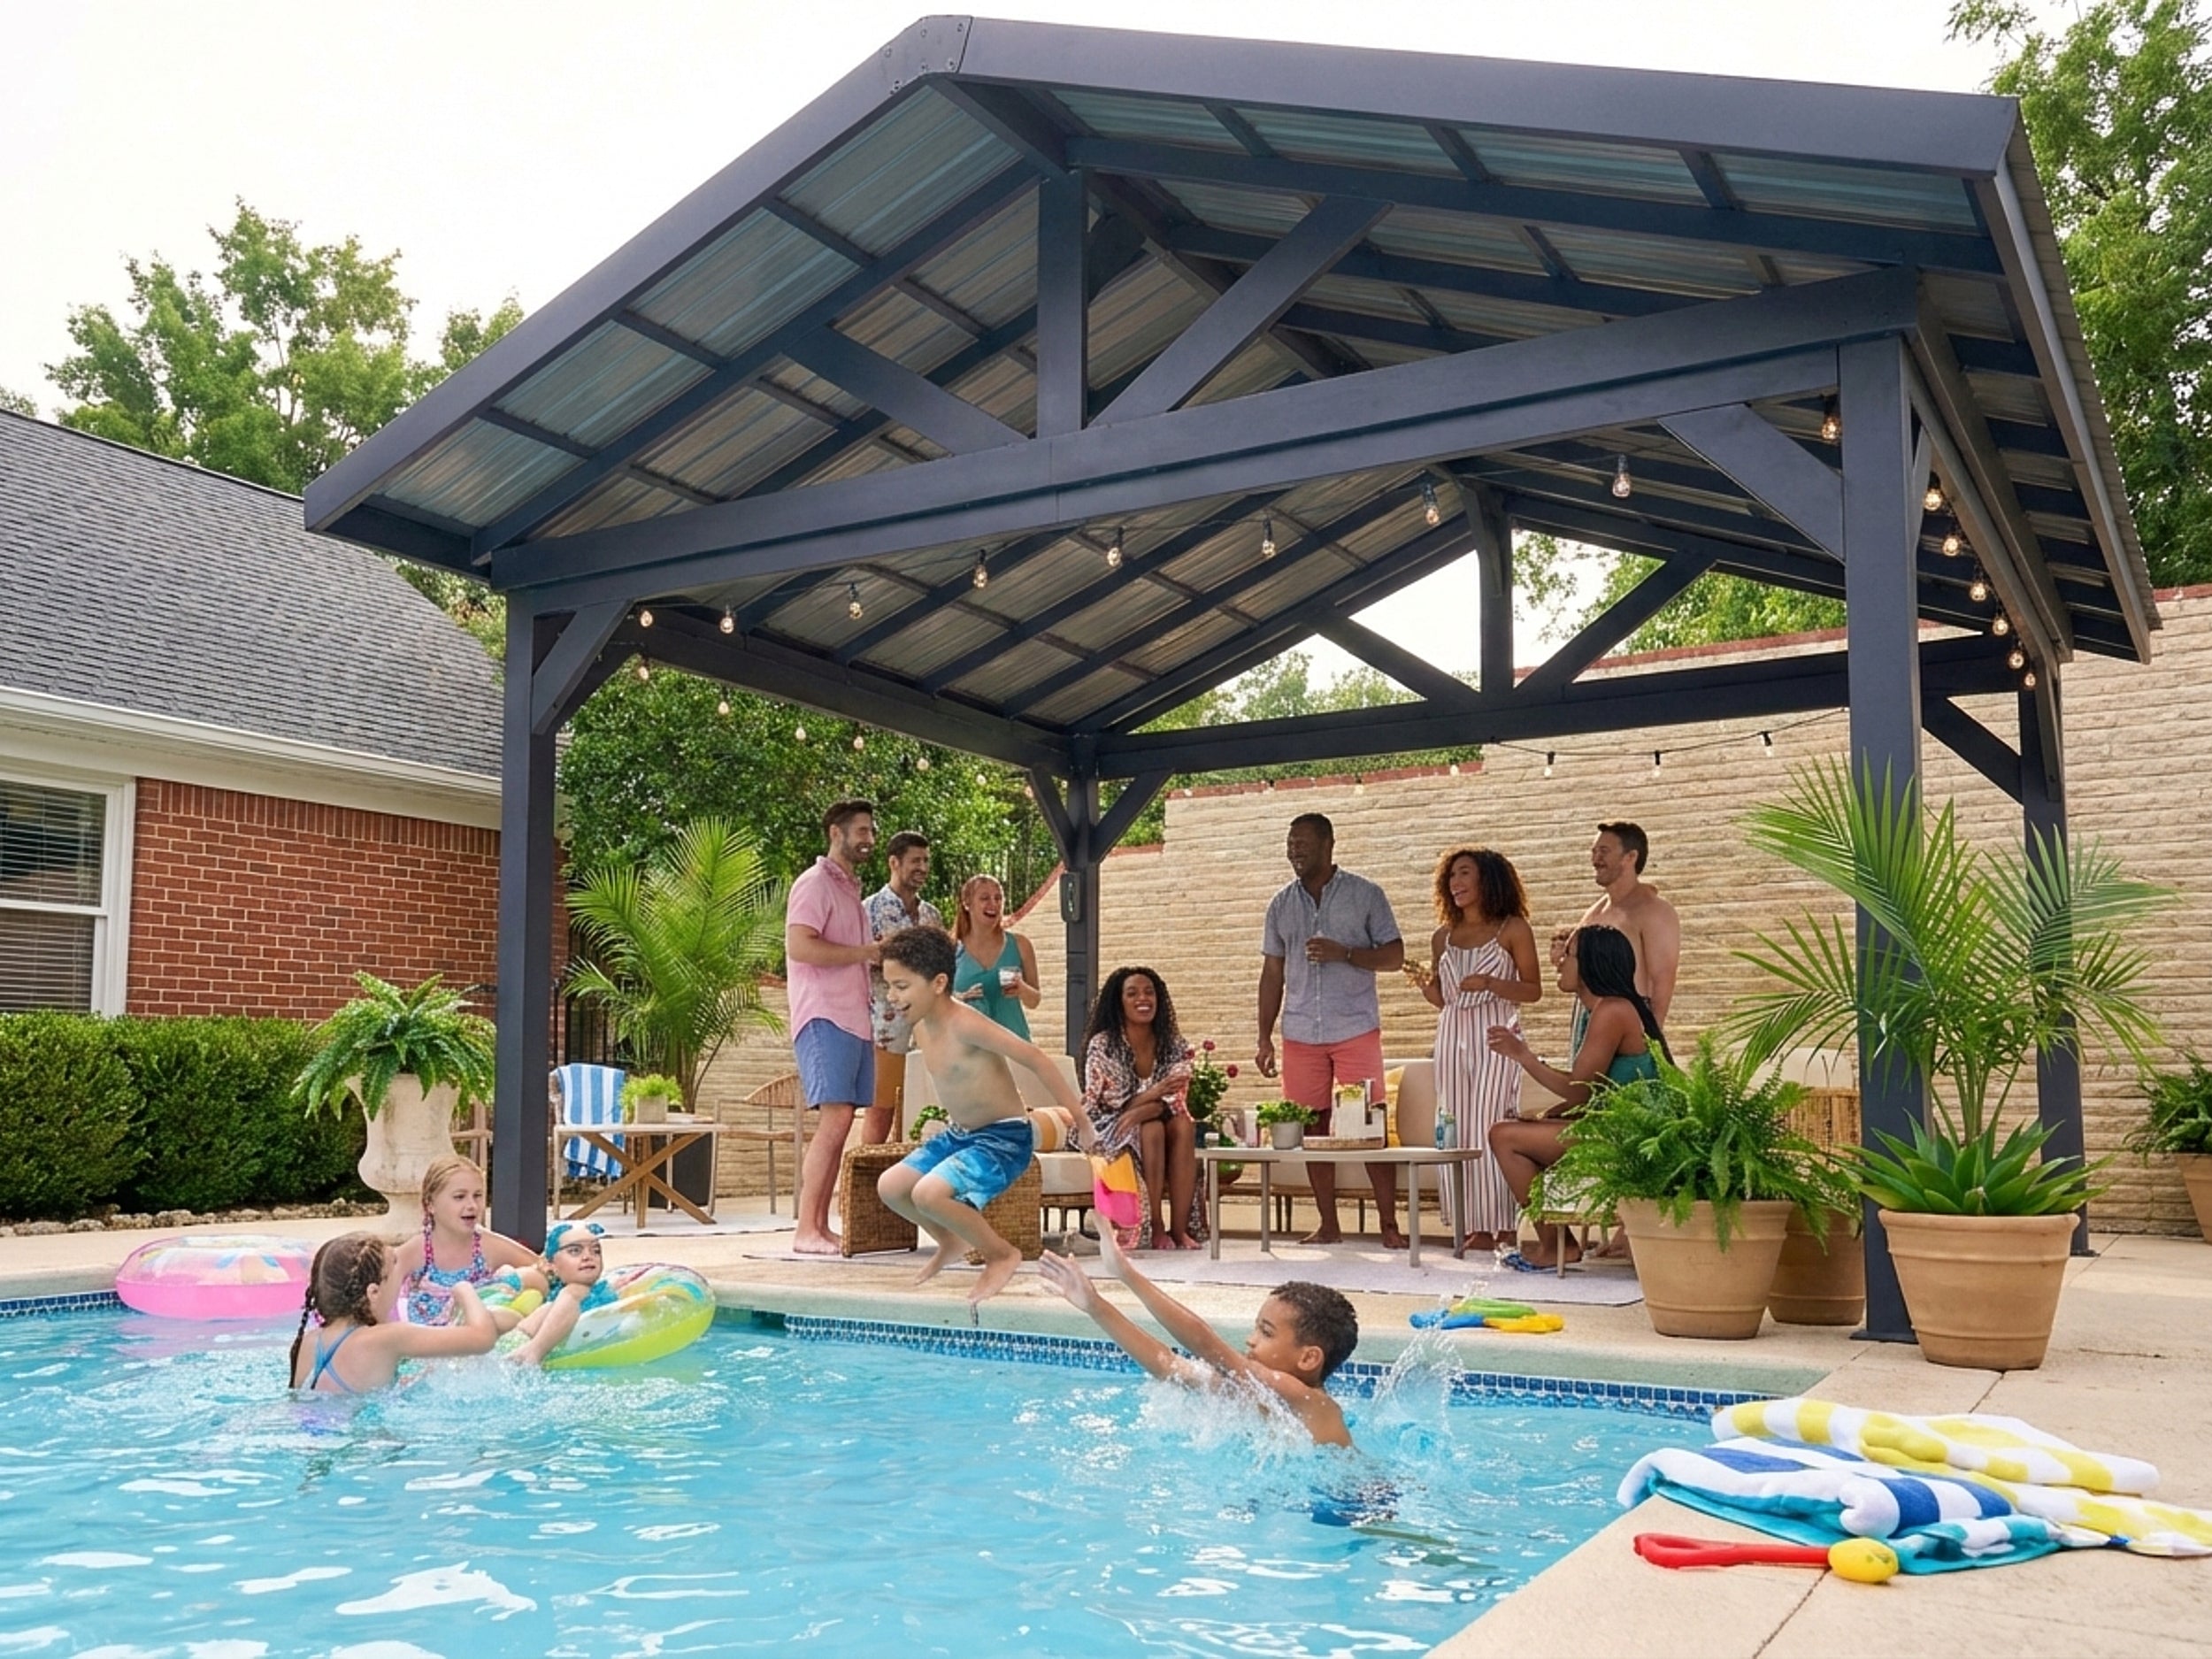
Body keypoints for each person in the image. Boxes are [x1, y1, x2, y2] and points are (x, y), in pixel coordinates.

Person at [875, 924, 1091, 1304]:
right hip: (963, 1134)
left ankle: (1001, 1254)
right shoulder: (921, 1027)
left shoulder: (966, 1024)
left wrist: (1084, 1123)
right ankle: (950, 1240)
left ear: (938, 983)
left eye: (902, 986)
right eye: (889, 985)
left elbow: (1037, 1060)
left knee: (928, 1194)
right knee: (891, 1187)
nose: (892, 996)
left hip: (1004, 1138)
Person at [1038, 1225, 1356, 1448]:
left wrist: (1128, 1275)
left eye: (1266, 1332)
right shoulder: (1249, 1394)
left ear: (1309, 1357)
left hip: (1351, 1502)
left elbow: (1206, 1345)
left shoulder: (1309, 1401)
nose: (1250, 1340)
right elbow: (1166, 1365)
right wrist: (1095, 1306)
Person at [1255, 812, 1407, 1248]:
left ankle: (1389, 1226)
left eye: (1303, 842)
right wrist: (1264, 1037)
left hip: (1354, 1026)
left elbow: (1395, 955)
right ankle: (1328, 1224)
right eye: (1290, 843)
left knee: (1369, 1124)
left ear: (1329, 844)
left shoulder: (1366, 895)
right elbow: (1272, 973)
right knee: (1311, 1128)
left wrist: (1347, 954)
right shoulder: (1280, 905)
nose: (1295, 850)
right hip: (1300, 1031)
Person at [1485, 926, 1666, 1270]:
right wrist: (1549, 1117)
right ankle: (1558, 1243)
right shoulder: (1601, 1010)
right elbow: (1590, 1092)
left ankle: (1557, 1245)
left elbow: (1579, 1089)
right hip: (1612, 1128)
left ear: (1592, 963)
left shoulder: (1613, 1011)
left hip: (1631, 1138)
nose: (1559, 961)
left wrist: (1523, 1055)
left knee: (1503, 1137)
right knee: (1515, 1131)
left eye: (1568, 954)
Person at [1408, 849, 1541, 1253]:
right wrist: (1424, 984)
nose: (1455, 882)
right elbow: (1445, 999)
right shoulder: (1441, 937)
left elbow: (1533, 990)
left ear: (1488, 879)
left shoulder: (1513, 929)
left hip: (1496, 1034)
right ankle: (1471, 1224)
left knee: (1492, 1121)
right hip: (1451, 1036)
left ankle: (1503, 1225)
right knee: (1455, 1125)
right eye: (1451, 876)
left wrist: (1491, 983)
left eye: (1464, 873)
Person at [785, 798, 881, 1256]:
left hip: (855, 1017)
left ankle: (820, 1228)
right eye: (861, 831)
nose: (869, 840)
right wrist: (865, 953)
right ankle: (807, 1229)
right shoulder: (815, 883)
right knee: (835, 1118)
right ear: (836, 833)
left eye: (871, 832)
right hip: (824, 1015)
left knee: (843, 1121)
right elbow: (801, 947)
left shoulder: (851, 893)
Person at [1081, 965, 1203, 1251]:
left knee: (1183, 1126)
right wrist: (1156, 1093)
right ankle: (1156, 1226)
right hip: (1107, 1124)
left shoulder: (1173, 1044)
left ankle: (1180, 1229)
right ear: (1119, 1001)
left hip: (1156, 1116)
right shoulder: (1105, 1045)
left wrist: (1144, 1107)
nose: (1143, 999)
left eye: (1149, 992)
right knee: (1151, 1130)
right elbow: (1112, 1104)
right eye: (1132, 993)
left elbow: (1177, 1098)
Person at [288, 1233, 497, 1394]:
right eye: (395, 1266)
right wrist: (465, 1289)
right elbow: (482, 1338)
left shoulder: (308, 1342)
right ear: (374, 1292)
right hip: (370, 1446)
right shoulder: (389, 1337)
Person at [1553, 821, 1681, 1042]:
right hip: (1588, 1018)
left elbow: (1663, 978)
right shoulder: (1598, 909)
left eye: (1604, 851)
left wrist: (1651, 1040)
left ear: (1630, 857)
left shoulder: (1654, 910)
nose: (1596, 859)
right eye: (1594, 851)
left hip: (1628, 1023)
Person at [387, 1156, 546, 1325]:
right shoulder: (417, 1251)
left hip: (480, 1331)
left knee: (532, 1276)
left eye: (477, 1195)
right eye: (459, 1197)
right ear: (430, 1205)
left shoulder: (487, 1246)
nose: (472, 1205)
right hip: (429, 1338)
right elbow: (379, 1296)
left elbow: (544, 1268)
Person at [864, 830, 943, 1144]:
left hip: (929, 1028)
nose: (922, 867)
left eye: (925, 861)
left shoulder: (931, 915)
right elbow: (855, 962)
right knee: (881, 1108)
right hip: (887, 1026)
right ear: (894, 863)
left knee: (925, 1106)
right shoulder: (868, 910)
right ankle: (863, 1184)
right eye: (915, 861)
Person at [499, 1219, 614, 1366]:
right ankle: (507, 1352)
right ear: (550, 1264)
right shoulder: (554, 1295)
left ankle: (533, 1350)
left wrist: (536, 1349)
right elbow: (517, 1276)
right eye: (575, 1251)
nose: (587, 1256)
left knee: (572, 1292)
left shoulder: (581, 1291)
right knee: (546, 1309)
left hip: (595, 1335)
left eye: (596, 1250)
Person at [951, 874, 1041, 1039]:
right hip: (969, 1049)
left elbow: (1034, 1001)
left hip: (1014, 1044)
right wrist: (959, 998)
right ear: (966, 903)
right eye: (985, 898)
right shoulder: (951, 948)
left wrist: (1022, 988)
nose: (994, 904)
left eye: (998, 898)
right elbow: (935, 1000)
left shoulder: (1020, 945)